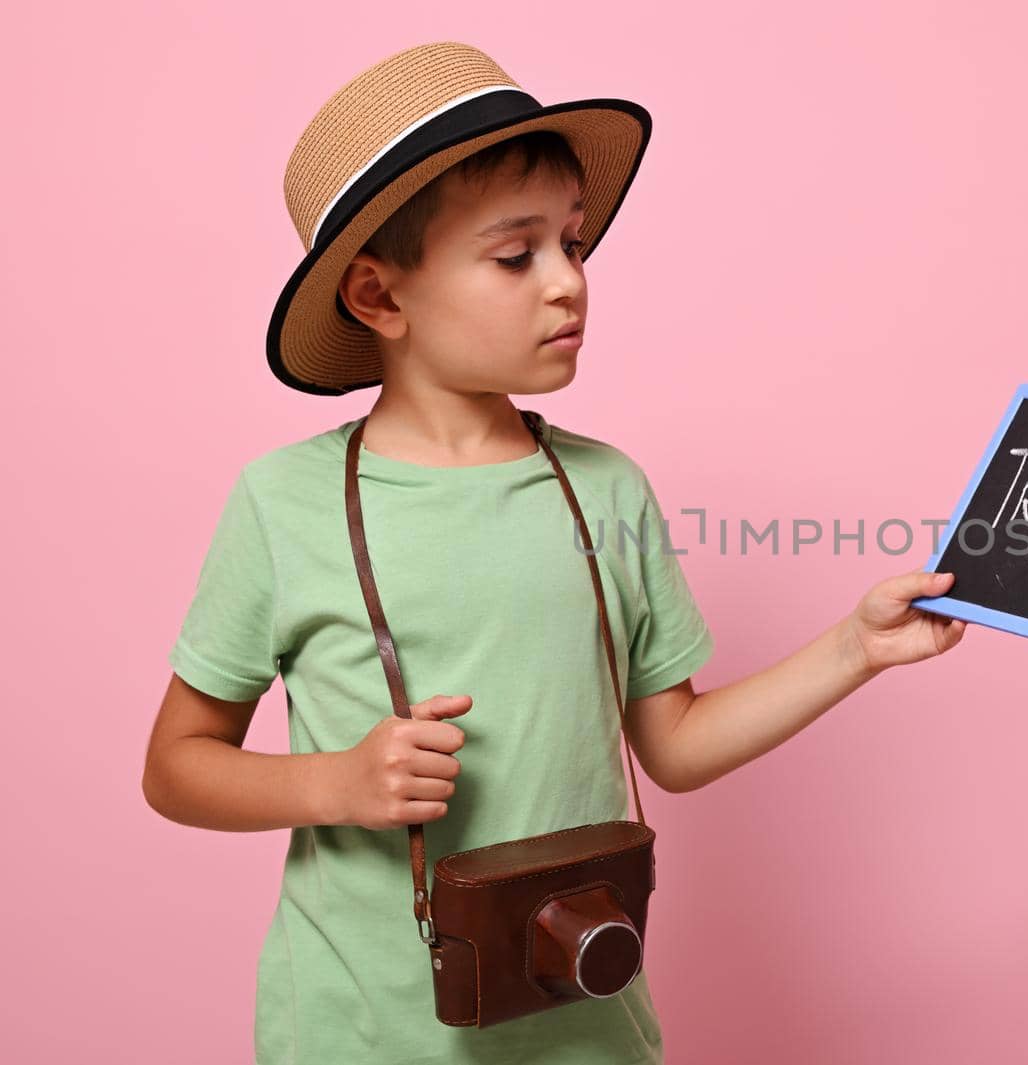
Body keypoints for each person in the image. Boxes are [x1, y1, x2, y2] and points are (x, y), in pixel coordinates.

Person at [140, 41, 967, 1065]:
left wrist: (856, 647)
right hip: (358, 1034)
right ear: (378, 297)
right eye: (514, 254)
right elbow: (176, 767)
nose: (568, 284)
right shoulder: (284, 502)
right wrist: (334, 785)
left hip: (585, 1029)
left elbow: (673, 745)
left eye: (574, 245)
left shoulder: (605, 486)